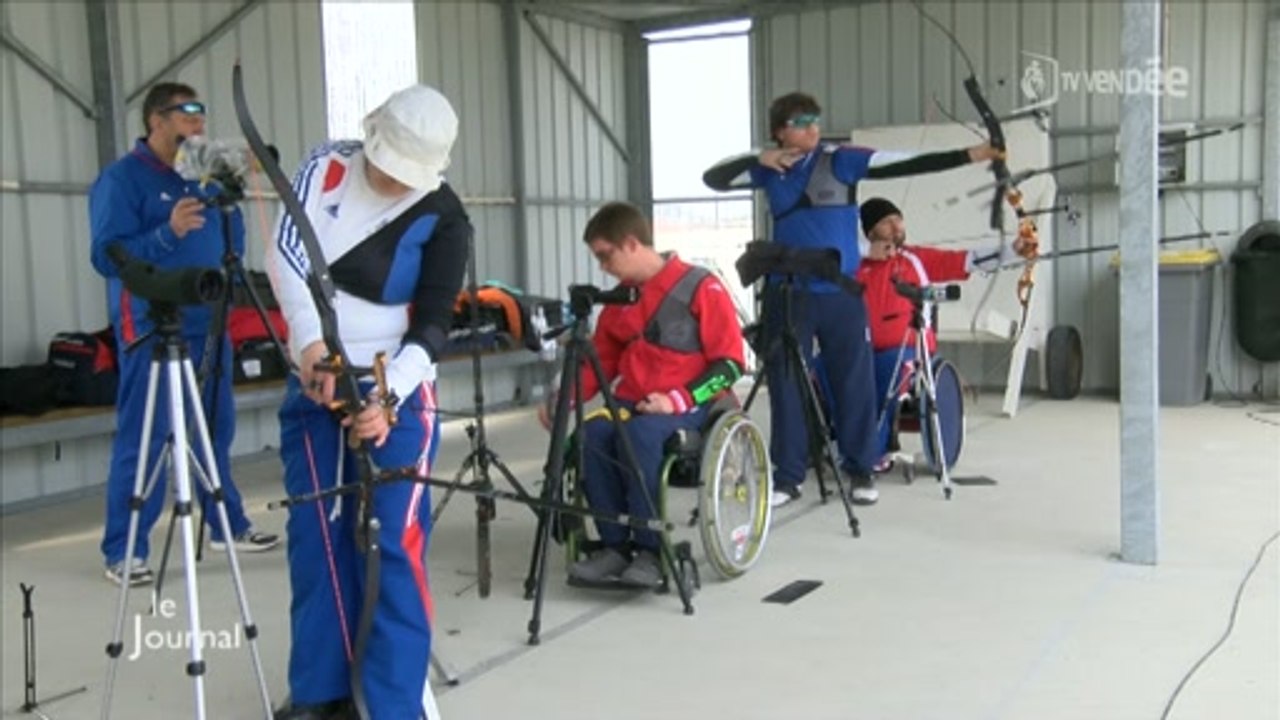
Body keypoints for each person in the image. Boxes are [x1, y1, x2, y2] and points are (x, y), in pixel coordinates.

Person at [265, 84, 469, 720]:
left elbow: (434, 323)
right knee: (317, 534)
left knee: (393, 543)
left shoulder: (447, 216)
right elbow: (285, 256)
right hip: (315, 381)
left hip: (397, 388)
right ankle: (321, 695)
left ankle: (391, 704)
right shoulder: (323, 166)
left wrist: (388, 396)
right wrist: (307, 347)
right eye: (384, 166)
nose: (390, 181)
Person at [704, 91, 1002, 508]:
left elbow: (903, 162)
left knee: (854, 381)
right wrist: (759, 157)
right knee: (788, 383)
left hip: (839, 295)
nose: (813, 127)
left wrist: (973, 154)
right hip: (789, 294)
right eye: (801, 121)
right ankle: (787, 477)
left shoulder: (838, 160)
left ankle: (861, 468)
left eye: (815, 119)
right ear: (780, 131)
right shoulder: (770, 170)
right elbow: (713, 179)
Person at [89, 82, 279, 588]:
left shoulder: (204, 176)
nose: (198, 125)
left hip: (210, 324)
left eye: (201, 114)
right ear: (156, 120)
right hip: (152, 327)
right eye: (186, 114)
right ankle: (125, 549)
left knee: (216, 429)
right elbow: (105, 254)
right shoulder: (123, 180)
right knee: (147, 438)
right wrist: (167, 232)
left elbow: (228, 241)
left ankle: (225, 524)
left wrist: (230, 204)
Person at [537, 201, 745, 587]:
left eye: (605, 255)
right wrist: (565, 397)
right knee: (590, 436)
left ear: (631, 243)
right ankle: (615, 546)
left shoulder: (702, 287)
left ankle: (650, 550)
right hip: (632, 402)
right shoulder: (619, 303)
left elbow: (732, 364)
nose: (602, 267)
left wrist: (677, 400)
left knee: (640, 437)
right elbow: (599, 363)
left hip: (691, 404)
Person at [855, 197, 1025, 469]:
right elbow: (829, 256)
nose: (896, 226)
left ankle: (869, 456)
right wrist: (866, 251)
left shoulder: (914, 258)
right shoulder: (856, 262)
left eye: (898, 219)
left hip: (907, 350)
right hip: (860, 348)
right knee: (828, 372)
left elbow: (965, 261)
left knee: (884, 377)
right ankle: (845, 446)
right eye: (887, 222)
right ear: (871, 231)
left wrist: (1014, 250)